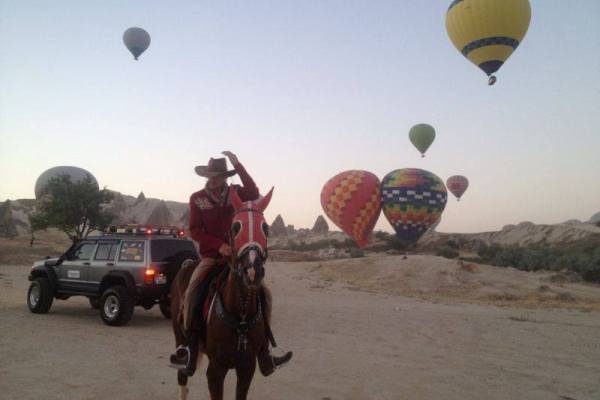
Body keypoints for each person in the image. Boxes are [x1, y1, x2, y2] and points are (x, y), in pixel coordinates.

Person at [170, 151, 292, 375]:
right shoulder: (197, 198)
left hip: (237, 258)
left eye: (218, 175)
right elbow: (195, 230)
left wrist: (238, 163)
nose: (213, 178)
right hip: (211, 256)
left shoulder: (236, 193)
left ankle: (265, 354)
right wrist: (218, 245)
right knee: (192, 291)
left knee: (264, 295)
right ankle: (189, 348)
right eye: (210, 174)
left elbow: (254, 192)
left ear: (225, 176)